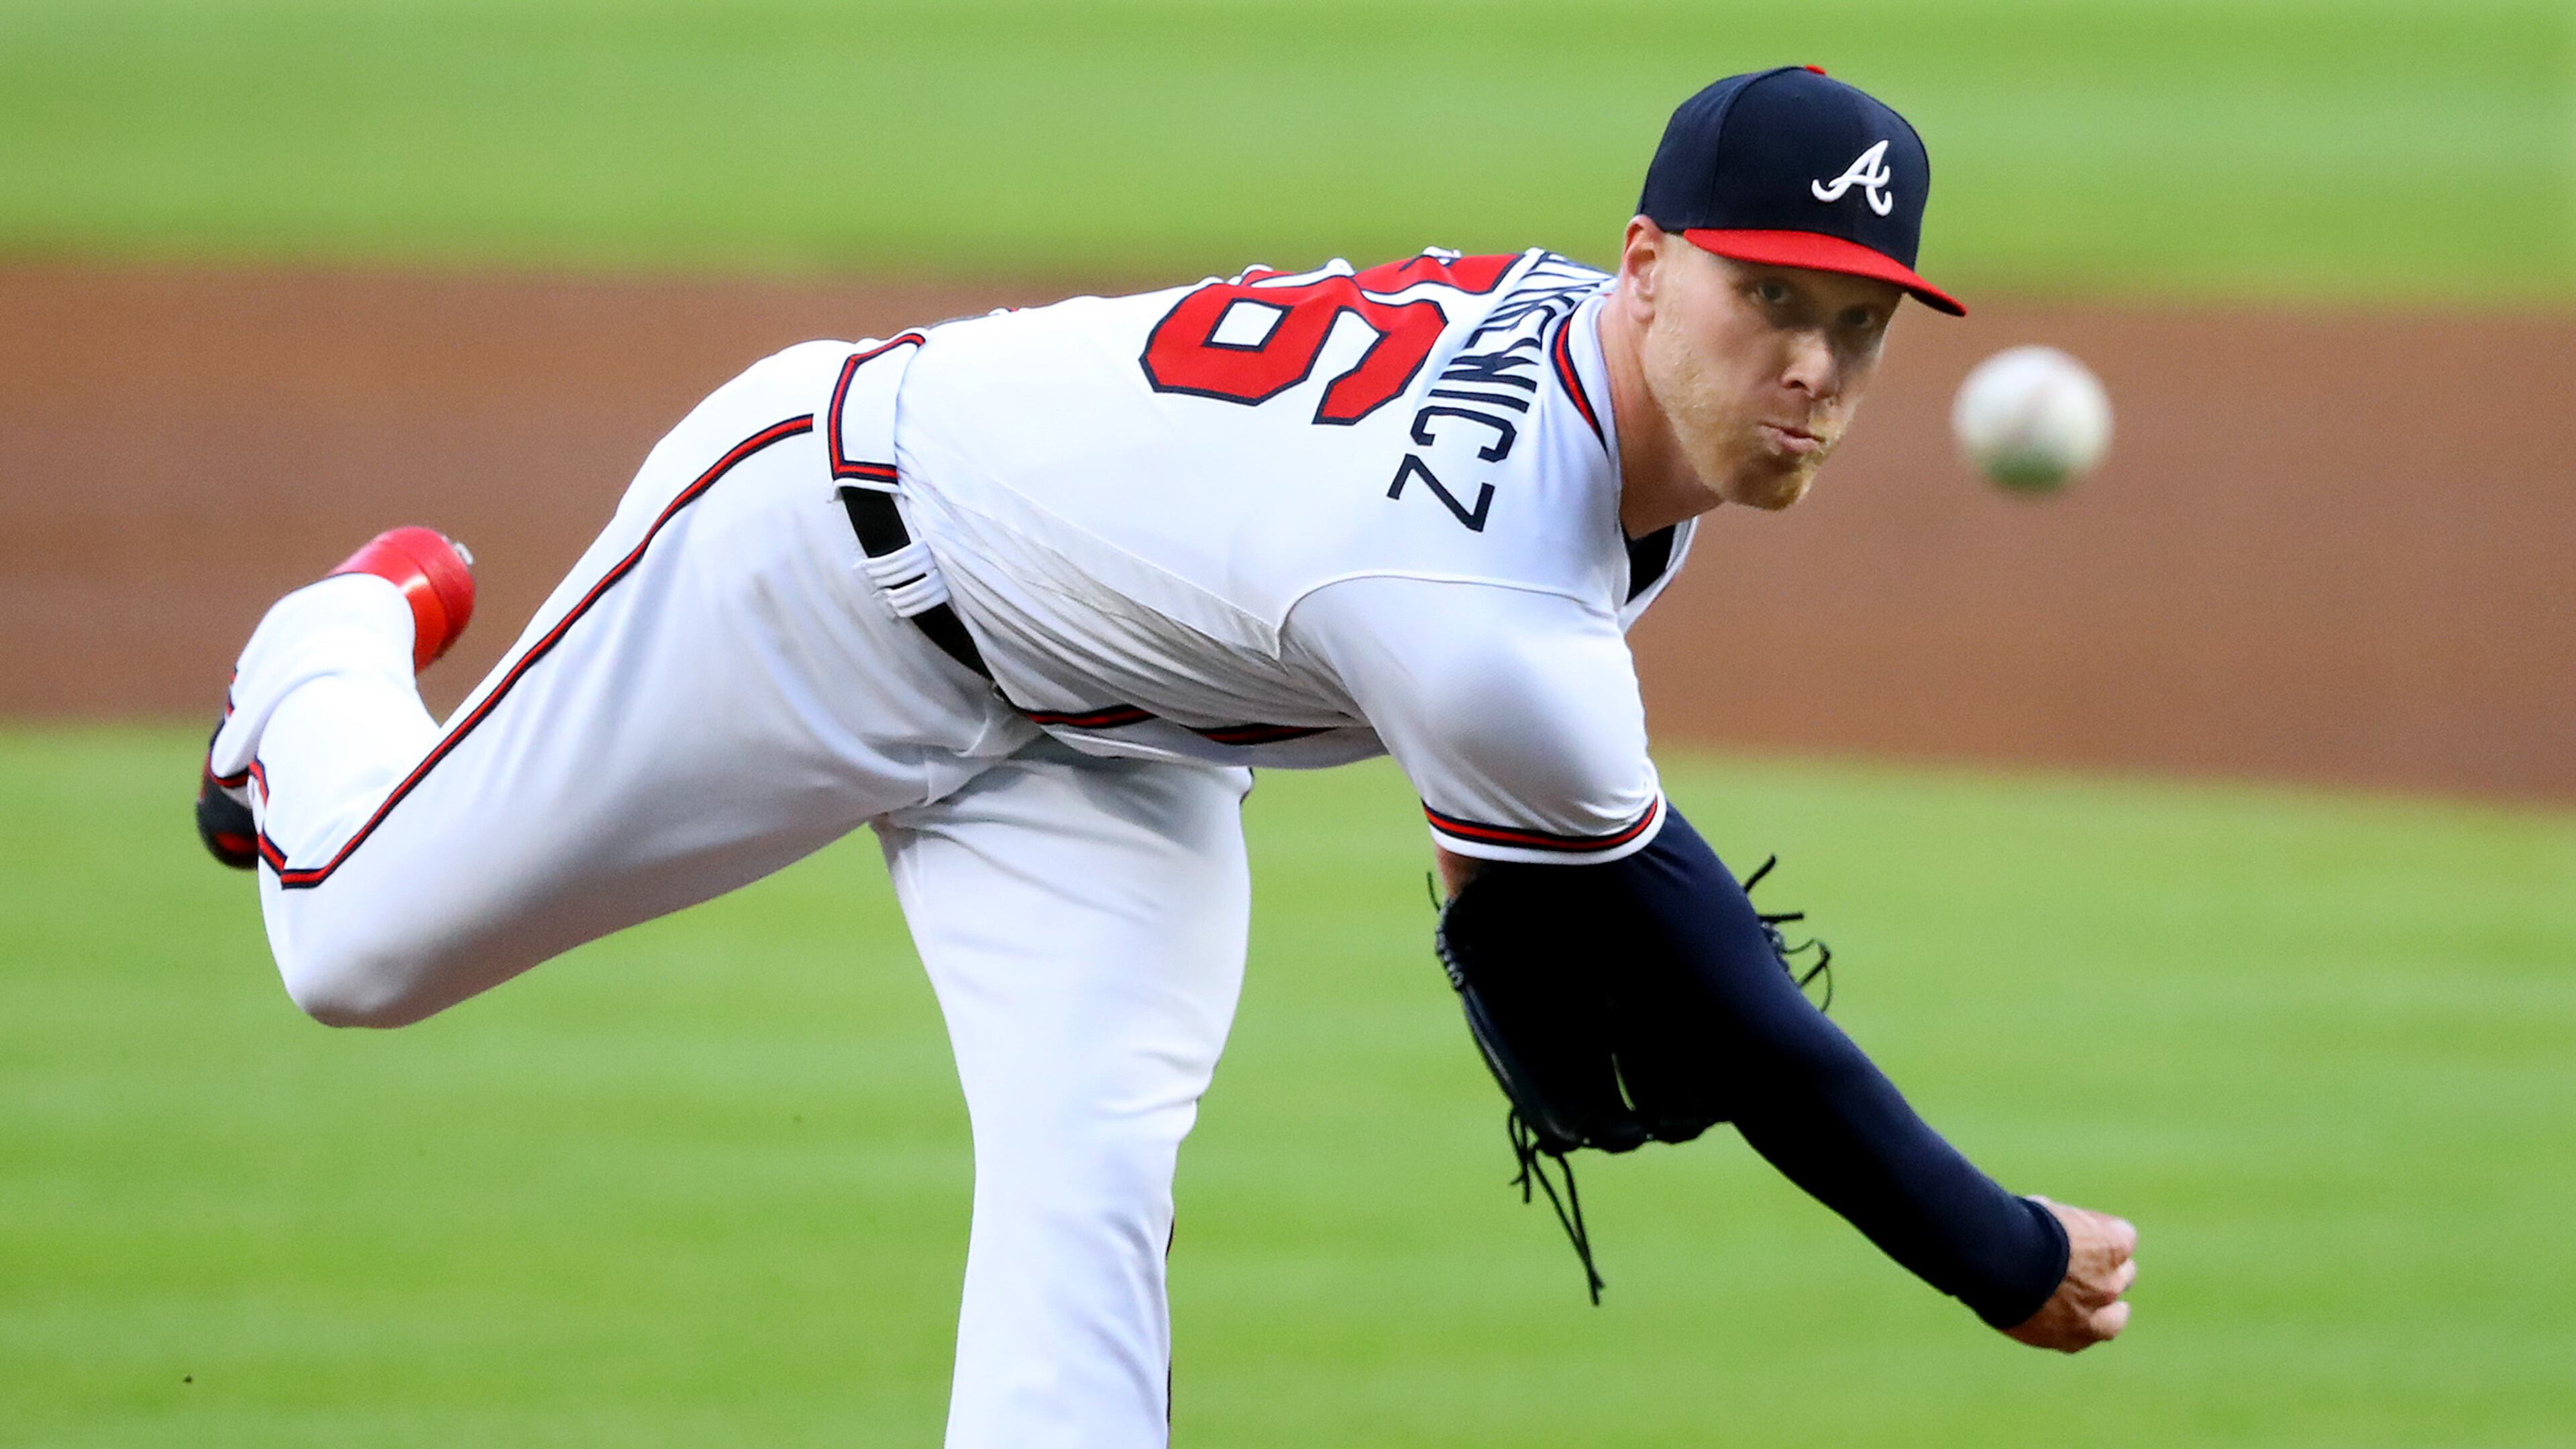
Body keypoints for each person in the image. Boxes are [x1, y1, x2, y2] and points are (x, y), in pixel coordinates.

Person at [195, 65, 2135, 1448]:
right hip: (816, 559)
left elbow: (1493, 793)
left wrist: (1526, 914)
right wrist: (1992, 1247)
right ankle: (333, 642)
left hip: (1109, 750)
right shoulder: (1485, 578)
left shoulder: (1624, 426)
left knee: (1092, 1184)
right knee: (348, 951)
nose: (1810, 366)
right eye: (1765, 300)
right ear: (1642, 266)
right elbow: (1721, 992)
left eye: (1856, 327)